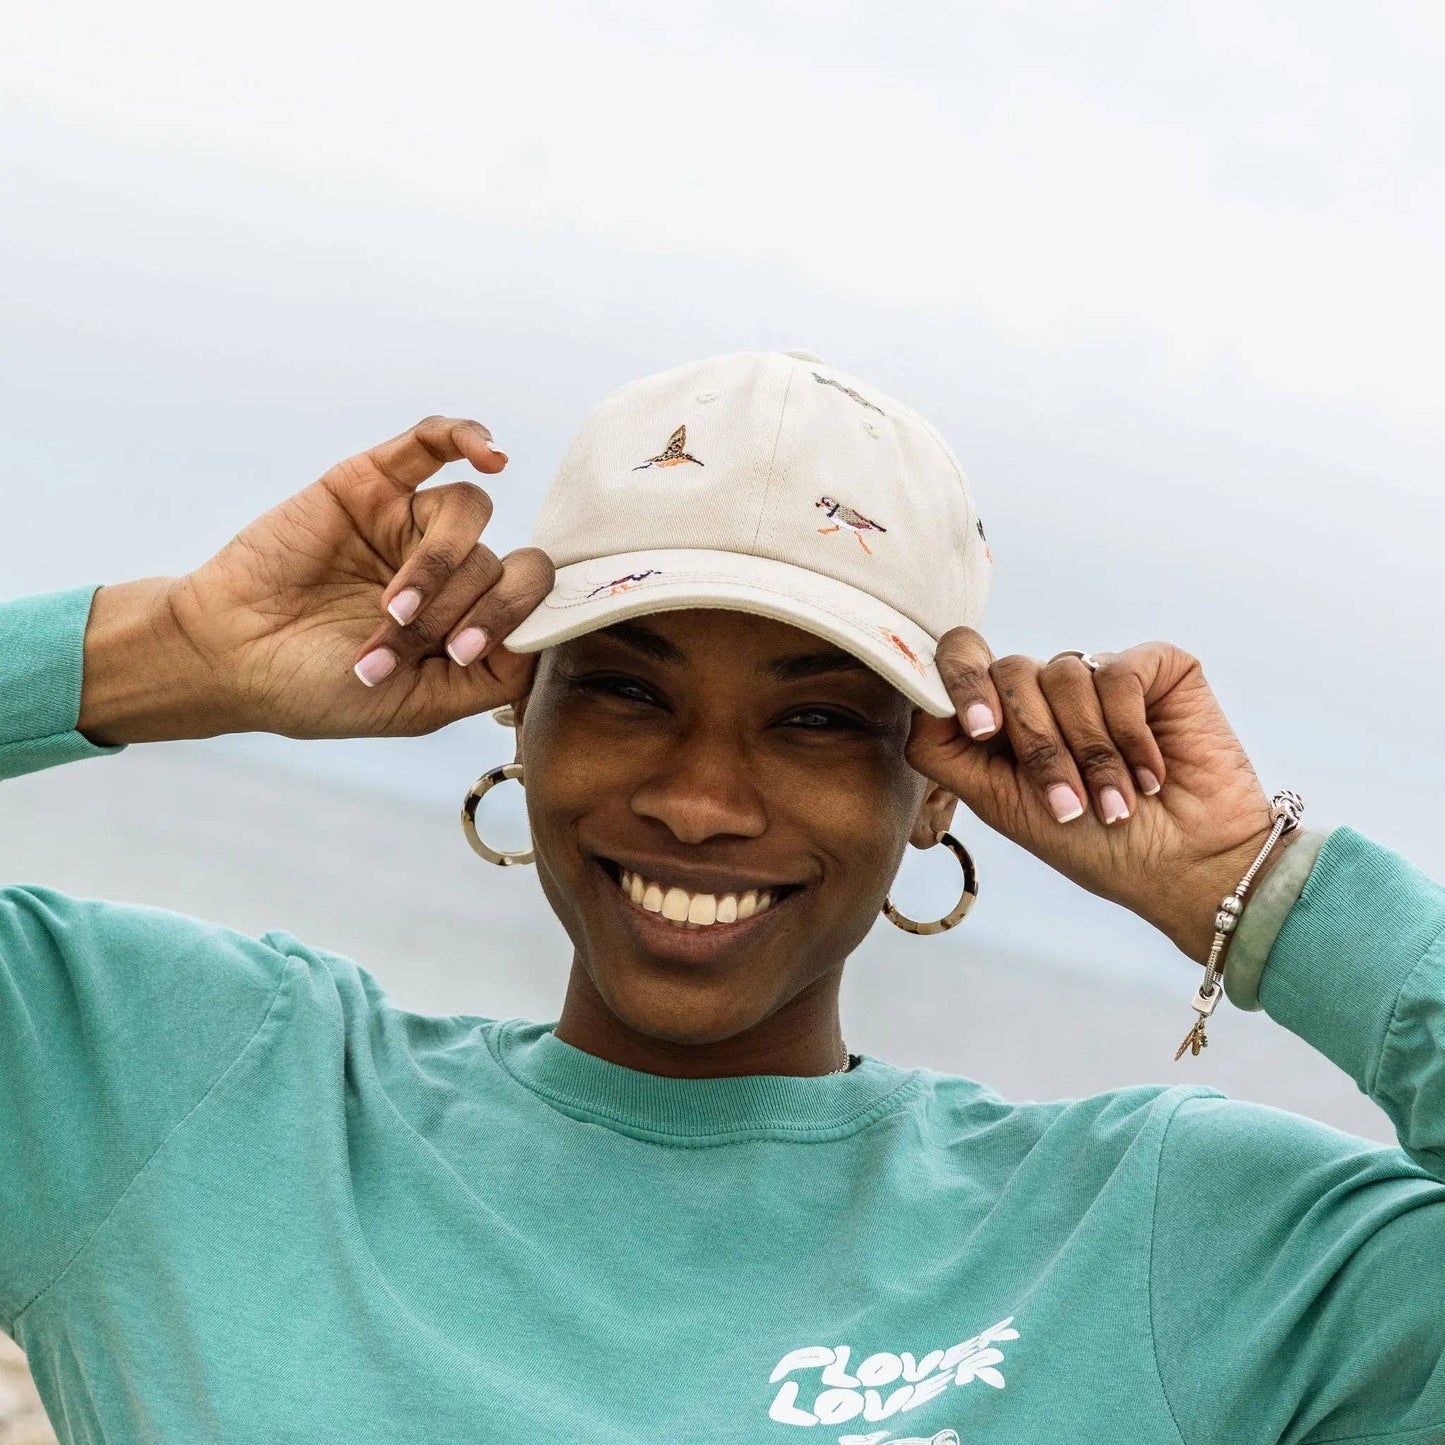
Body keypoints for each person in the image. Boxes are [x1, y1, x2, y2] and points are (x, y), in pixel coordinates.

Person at [0, 350, 1440, 1445]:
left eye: (815, 719)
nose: (699, 796)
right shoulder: (187, 1092)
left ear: (937, 779)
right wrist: (168, 653)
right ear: (520, 713)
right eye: (626, 688)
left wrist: (1260, 893)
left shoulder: (1152, 1236)